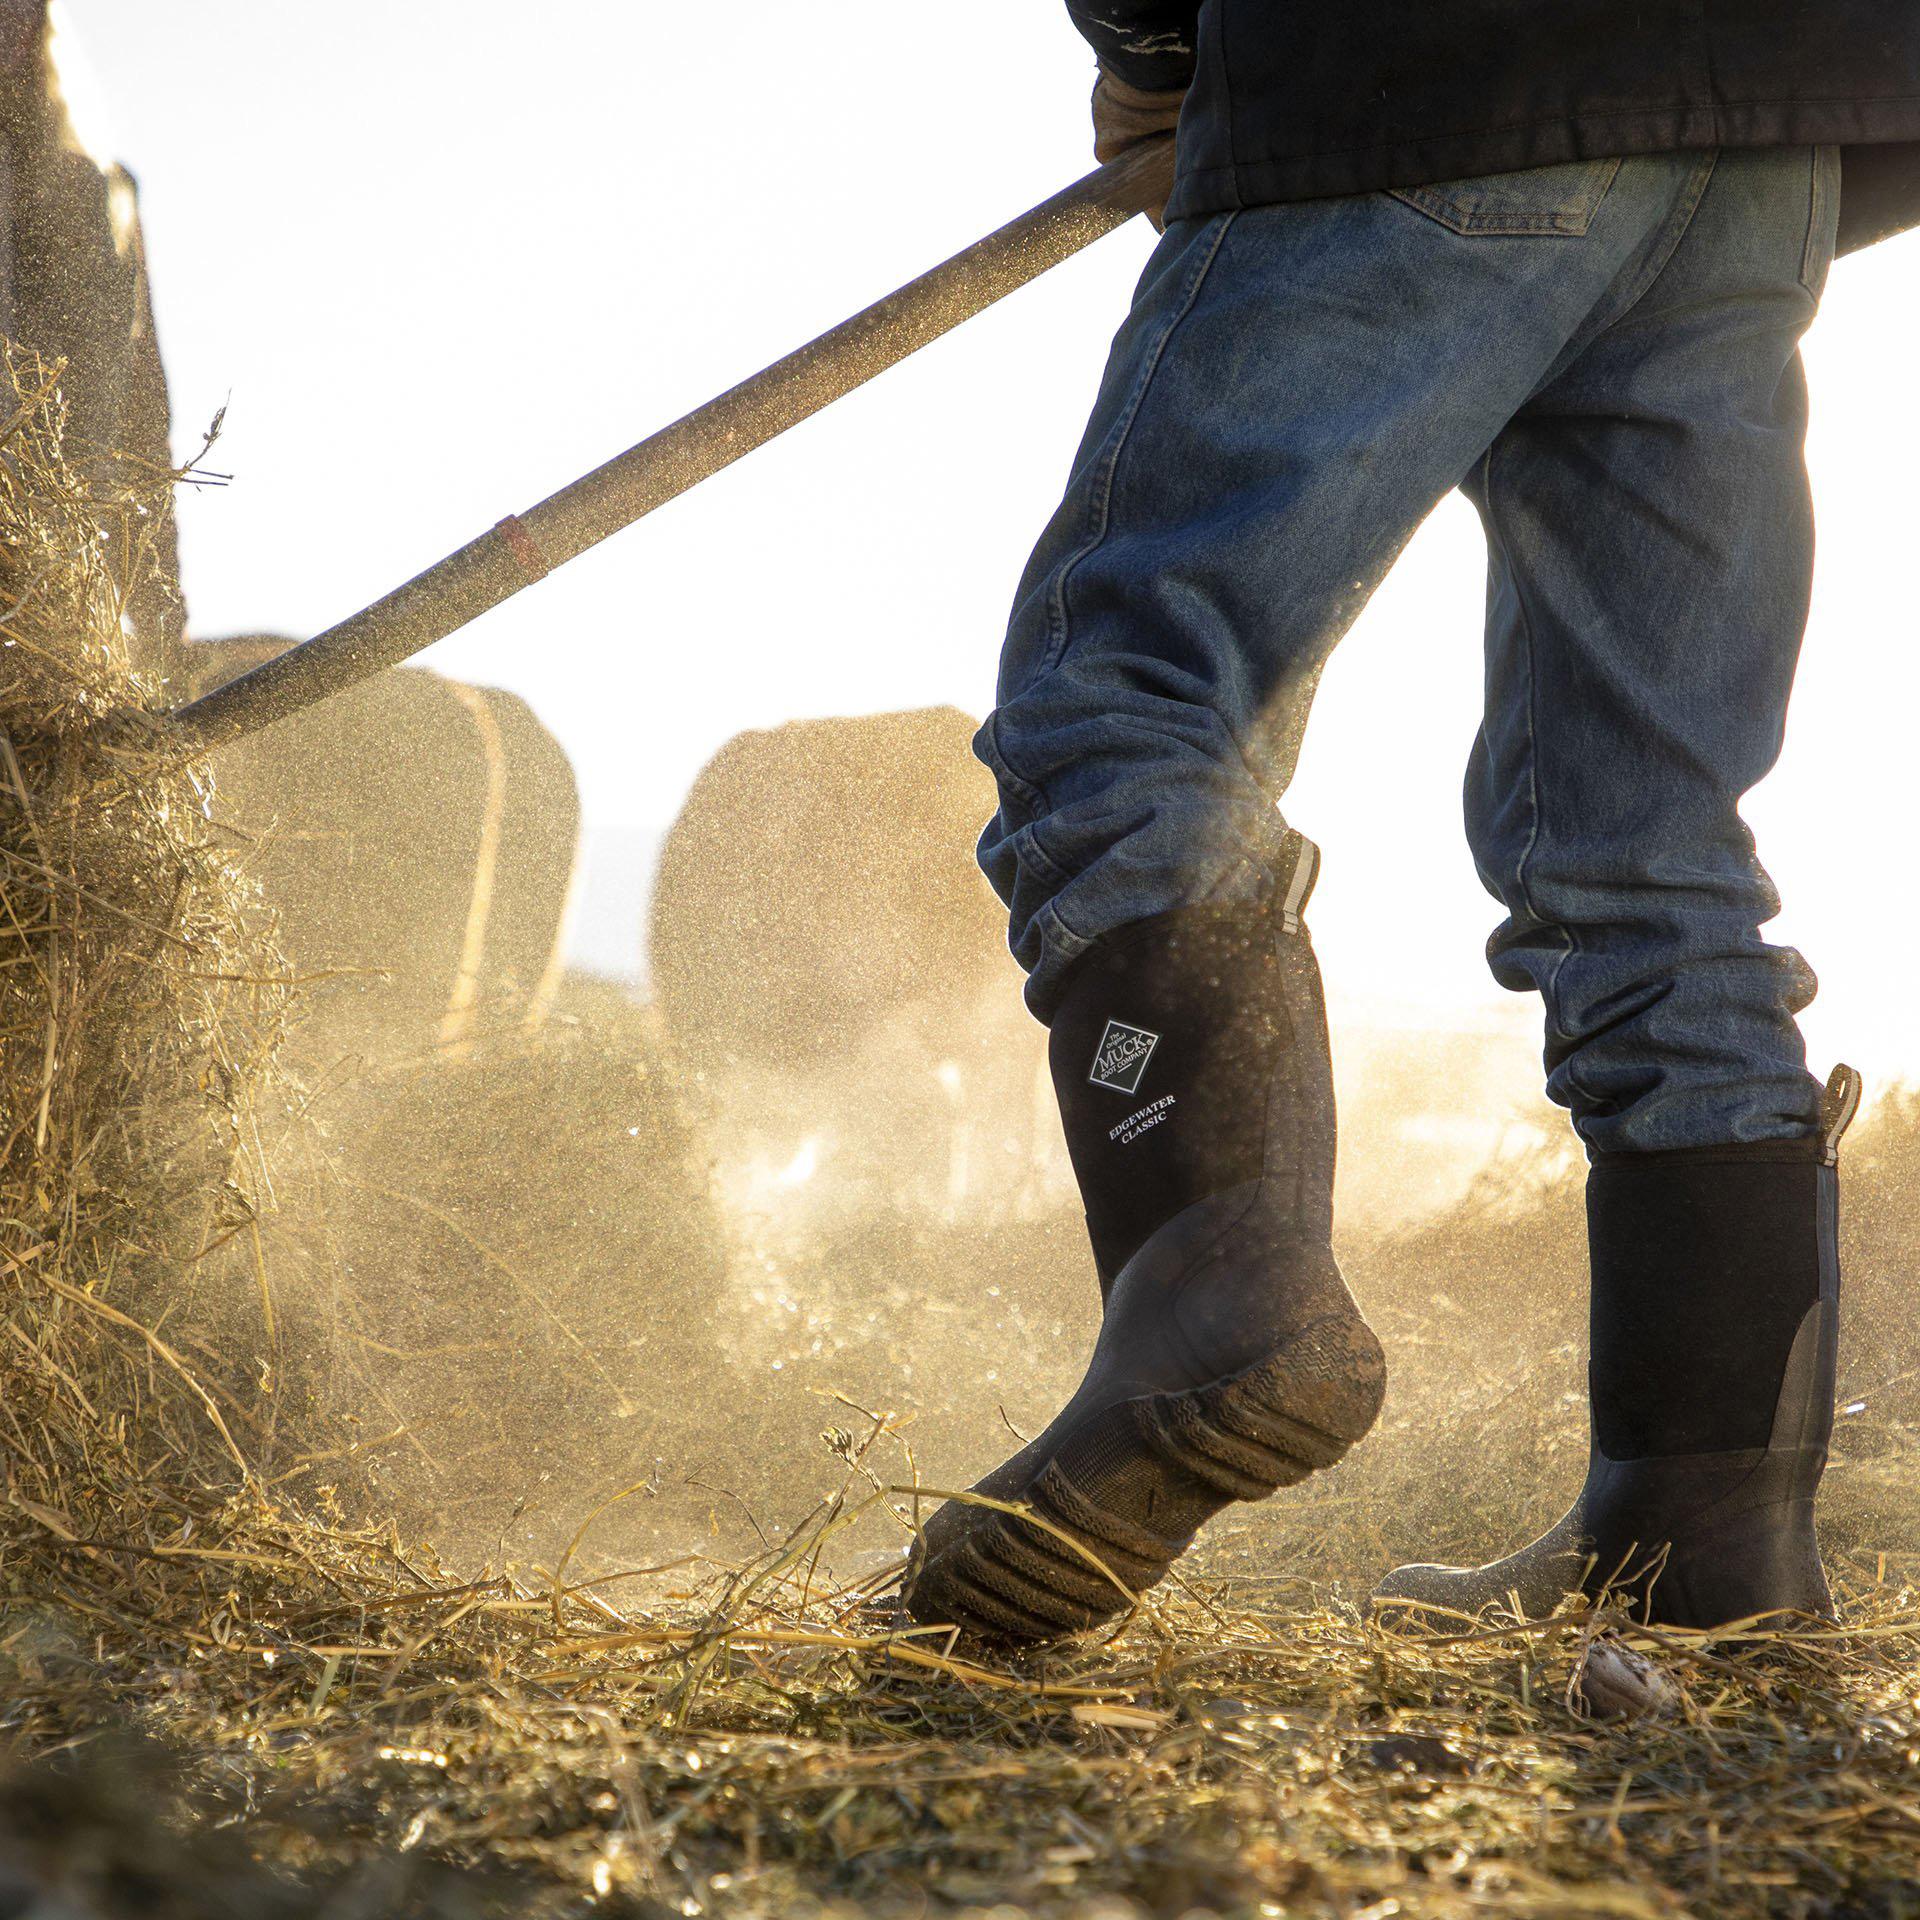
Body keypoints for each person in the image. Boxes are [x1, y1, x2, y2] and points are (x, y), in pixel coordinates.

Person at [903, 3, 1920, 1646]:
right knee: (1645, 843)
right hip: (1765, 115)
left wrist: (1159, 52)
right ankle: (1704, 1542)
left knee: (1126, 691)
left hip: (1426, 64)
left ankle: (1222, 1298)